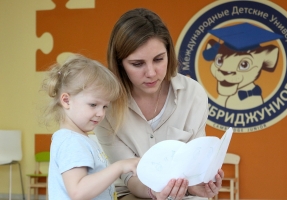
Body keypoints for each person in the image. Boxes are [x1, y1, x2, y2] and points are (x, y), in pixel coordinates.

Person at [94, 8, 224, 200]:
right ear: (120, 63)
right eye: (137, 64)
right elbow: (129, 177)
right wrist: (154, 192)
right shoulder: (104, 106)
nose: (151, 73)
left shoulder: (193, 94)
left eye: (158, 59)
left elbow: (194, 166)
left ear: (169, 54)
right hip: (134, 194)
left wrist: (198, 184)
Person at [41, 54, 140, 200]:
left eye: (105, 106)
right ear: (67, 101)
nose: (101, 113)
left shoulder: (79, 139)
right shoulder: (71, 142)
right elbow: (78, 191)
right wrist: (119, 167)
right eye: (93, 104)